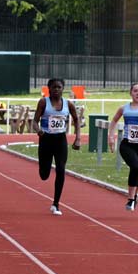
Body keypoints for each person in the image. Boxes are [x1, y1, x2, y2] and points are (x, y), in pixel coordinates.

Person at [30, 78, 81, 216]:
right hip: (45, 139)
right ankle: (43, 168)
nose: (56, 89)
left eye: (59, 87)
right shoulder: (43, 102)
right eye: (54, 87)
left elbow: (76, 120)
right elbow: (35, 121)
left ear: (63, 89)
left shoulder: (68, 104)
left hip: (60, 140)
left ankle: (56, 204)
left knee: (61, 169)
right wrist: (38, 130)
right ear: (49, 89)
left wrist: (78, 138)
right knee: (44, 174)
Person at [108, 83, 138, 211]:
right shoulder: (124, 108)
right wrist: (111, 137)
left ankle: (134, 197)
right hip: (127, 144)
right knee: (135, 166)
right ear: (131, 93)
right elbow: (113, 121)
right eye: (135, 91)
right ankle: (130, 199)